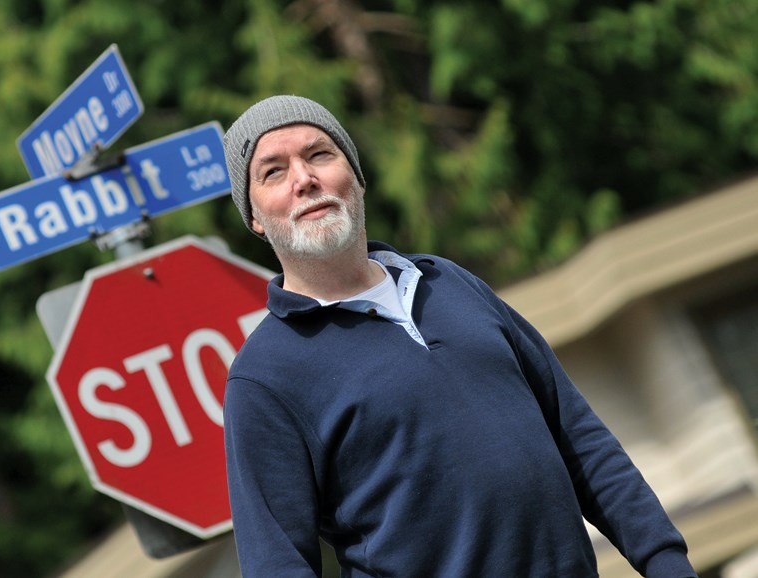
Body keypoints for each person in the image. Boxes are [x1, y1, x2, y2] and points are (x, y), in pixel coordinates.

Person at [221, 95, 697, 578]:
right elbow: (276, 565)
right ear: (256, 217)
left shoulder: (449, 283)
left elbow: (579, 439)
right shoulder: (265, 377)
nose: (304, 179)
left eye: (319, 153)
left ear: (357, 178)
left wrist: (665, 562)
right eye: (273, 172)